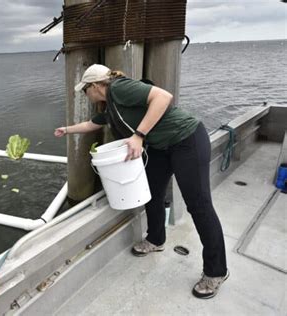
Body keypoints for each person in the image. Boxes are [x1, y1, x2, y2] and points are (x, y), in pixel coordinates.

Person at [54, 64, 228, 299]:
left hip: (186, 140)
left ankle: (216, 271)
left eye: (85, 90)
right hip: (160, 147)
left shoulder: (119, 88)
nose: (86, 96)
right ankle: (156, 239)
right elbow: (92, 124)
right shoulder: (111, 107)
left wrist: (138, 135)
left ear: (95, 86)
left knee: (199, 205)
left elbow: (163, 97)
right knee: (152, 193)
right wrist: (66, 129)